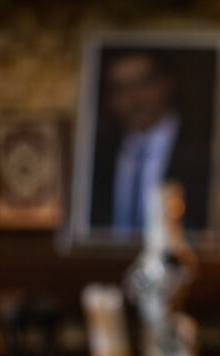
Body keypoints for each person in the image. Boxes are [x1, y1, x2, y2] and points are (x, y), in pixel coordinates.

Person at [90, 50, 212, 233]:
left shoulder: (205, 149)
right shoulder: (97, 155)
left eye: (144, 83)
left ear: (167, 83)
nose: (134, 98)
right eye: (121, 88)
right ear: (109, 99)